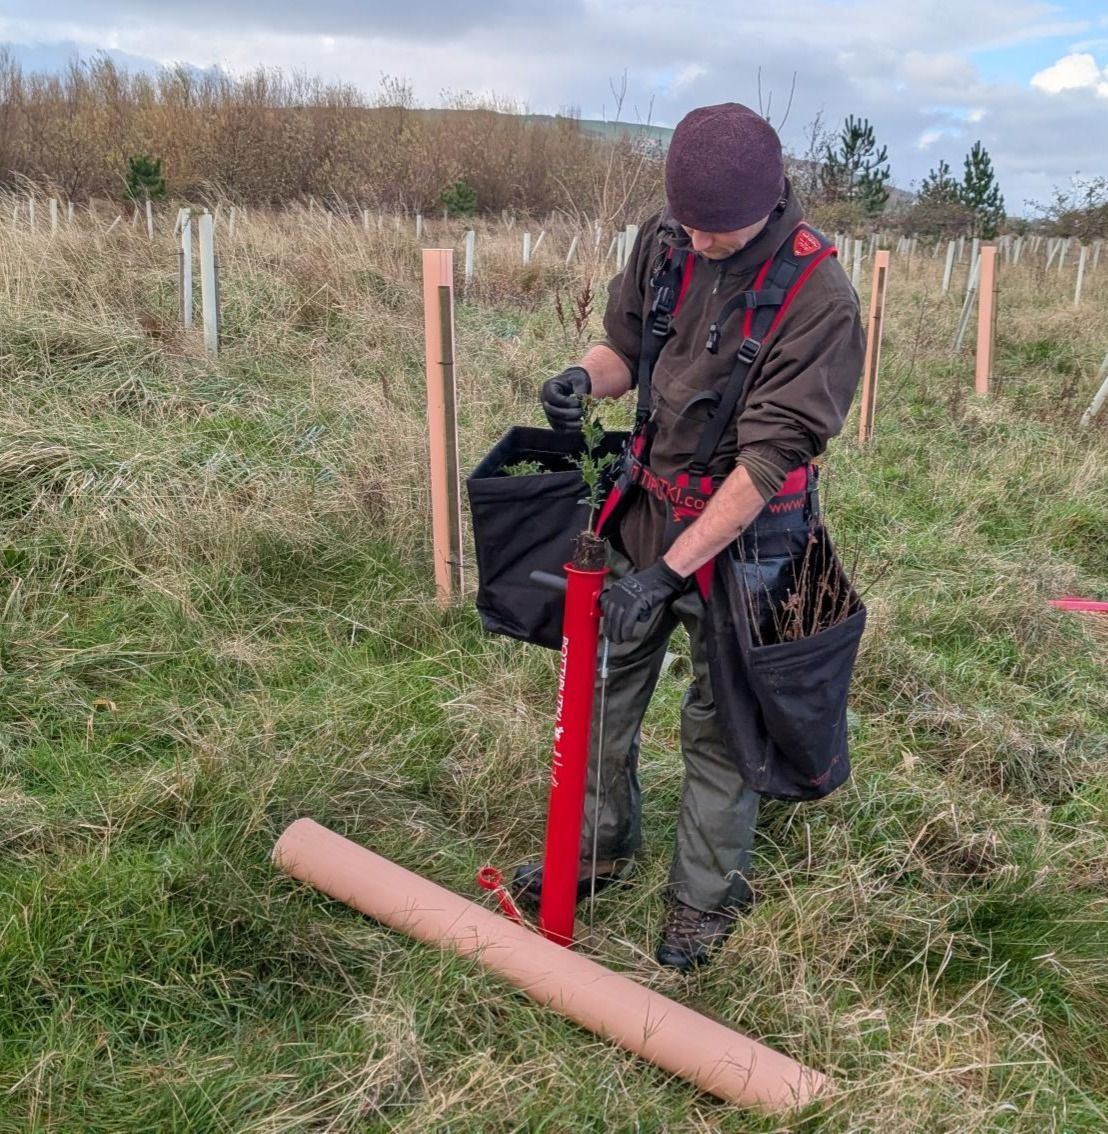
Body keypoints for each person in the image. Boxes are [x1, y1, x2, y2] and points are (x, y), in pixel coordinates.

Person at [518, 103, 865, 970]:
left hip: (747, 544)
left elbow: (766, 465)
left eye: (720, 229)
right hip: (642, 508)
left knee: (720, 727)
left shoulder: (820, 297)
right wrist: (581, 379)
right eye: (691, 223)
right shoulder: (668, 240)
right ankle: (596, 851)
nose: (702, 241)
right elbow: (626, 348)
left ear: (771, 195)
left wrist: (664, 578)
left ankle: (703, 903)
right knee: (598, 690)